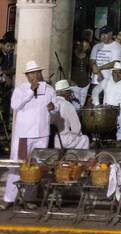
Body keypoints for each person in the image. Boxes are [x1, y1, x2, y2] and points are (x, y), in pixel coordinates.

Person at [3, 61, 57, 206]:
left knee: (36, 167)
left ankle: (29, 199)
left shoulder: (49, 89)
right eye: (32, 73)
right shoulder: (21, 89)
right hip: (24, 136)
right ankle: (9, 198)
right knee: (18, 164)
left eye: (37, 72)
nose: (35, 75)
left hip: (42, 135)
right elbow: (15, 105)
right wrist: (30, 92)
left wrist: (54, 108)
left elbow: (56, 108)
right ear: (27, 76)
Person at [92, 60, 121, 140]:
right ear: (112, 72)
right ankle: (96, 139)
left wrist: (113, 108)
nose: (117, 75)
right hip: (105, 108)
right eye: (115, 72)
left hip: (120, 108)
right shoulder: (107, 80)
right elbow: (95, 90)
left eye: (119, 73)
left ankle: (119, 139)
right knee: (95, 113)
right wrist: (97, 104)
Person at [51, 81, 90, 149]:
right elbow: (77, 128)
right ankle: (77, 158)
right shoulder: (68, 105)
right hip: (63, 141)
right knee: (85, 139)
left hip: (52, 140)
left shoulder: (51, 104)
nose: (70, 94)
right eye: (69, 92)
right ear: (65, 92)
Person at [89, 24, 121, 89]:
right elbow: (92, 61)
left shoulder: (117, 47)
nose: (103, 36)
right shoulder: (96, 46)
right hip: (95, 80)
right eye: (101, 35)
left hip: (109, 81)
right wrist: (99, 73)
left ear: (111, 34)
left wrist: (99, 68)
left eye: (105, 34)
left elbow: (115, 63)